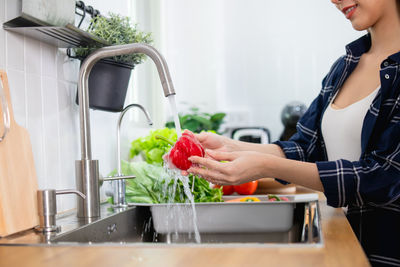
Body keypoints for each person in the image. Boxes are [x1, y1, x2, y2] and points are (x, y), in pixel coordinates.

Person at [186, 0, 400, 266]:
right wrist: (229, 147)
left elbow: (383, 178)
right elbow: (305, 148)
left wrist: (264, 165)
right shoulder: (345, 66)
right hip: (345, 242)